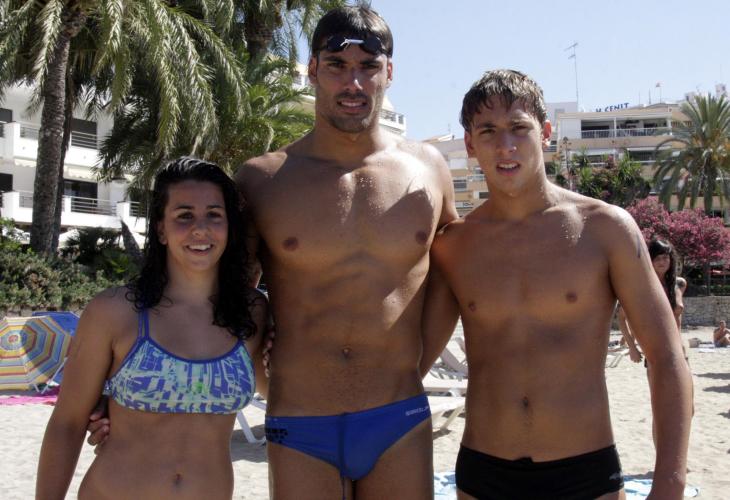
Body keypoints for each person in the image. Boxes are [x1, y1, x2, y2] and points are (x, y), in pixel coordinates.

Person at [88, 7, 457, 499]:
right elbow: (212, 298)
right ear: (312, 69)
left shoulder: (428, 170)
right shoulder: (264, 179)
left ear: (389, 72)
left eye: (368, 67)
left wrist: (417, 364)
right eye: (336, 65)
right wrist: (119, 392)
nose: (353, 83)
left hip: (398, 414)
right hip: (301, 418)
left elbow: (458, 278)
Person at [419, 70, 693, 499]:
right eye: (488, 131)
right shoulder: (454, 246)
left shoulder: (605, 229)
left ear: (545, 133)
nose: (505, 146)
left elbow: (667, 356)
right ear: (470, 144)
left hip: (584, 470)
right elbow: (412, 363)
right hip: (483, 470)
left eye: (519, 128)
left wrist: (669, 484)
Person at [37, 158, 268, 499]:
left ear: (229, 226)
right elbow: (66, 423)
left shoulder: (252, 312)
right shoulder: (114, 311)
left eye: (214, 215)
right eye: (184, 215)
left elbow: (278, 394)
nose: (200, 229)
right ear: (160, 228)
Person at [617, 238, 688, 362]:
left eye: (665, 257)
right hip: (654, 349)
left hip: (677, 347)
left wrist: (679, 342)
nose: (662, 262)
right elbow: (621, 317)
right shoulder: (641, 287)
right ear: (650, 260)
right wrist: (632, 348)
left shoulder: (679, 284)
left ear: (671, 259)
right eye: (657, 258)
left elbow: (677, 316)